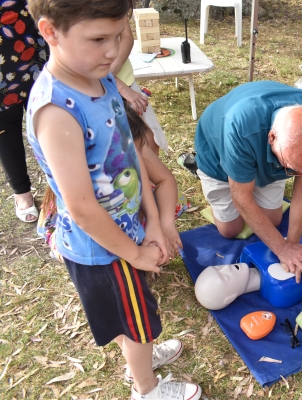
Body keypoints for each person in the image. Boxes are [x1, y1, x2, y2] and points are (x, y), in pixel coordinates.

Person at [26, 1, 200, 399]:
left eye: (118, 36)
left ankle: (143, 357)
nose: (112, 51)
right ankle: (146, 388)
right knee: (138, 320)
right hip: (103, 250)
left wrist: (154, 221)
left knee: (132, 314)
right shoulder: (57, 110)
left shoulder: (99, 78)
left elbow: (133, 158)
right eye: (99, 39)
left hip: (129, 231)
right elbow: (83, 208)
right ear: (51, 32)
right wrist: (135, 253)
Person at [191, 80, 302, 283]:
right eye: (291, 170)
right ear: (272, 137)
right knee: (230, 230)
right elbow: (241, 197)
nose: (298, 175)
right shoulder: (240, 126)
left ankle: (261, 175)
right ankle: (205, 175)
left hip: (267, 155)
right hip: (217, 153)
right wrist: (282, 248)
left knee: (273, 221)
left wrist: (292, 243)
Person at [39, 99, 188, 263]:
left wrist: (164, 224)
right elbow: (86, 217)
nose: (137, 156)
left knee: (165, 203)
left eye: (137, 149)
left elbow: (164, 180)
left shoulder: (130, 141)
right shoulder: (78, 174)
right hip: (84, 226)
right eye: (132, 153)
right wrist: (135, 255)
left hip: (129, 207)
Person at [0, 0, 48, 223]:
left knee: (48, 118)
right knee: (4, 126)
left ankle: (61, 188)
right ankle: (22, 193)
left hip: (33, 40)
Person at [111, 20, 168, 155]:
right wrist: (119, 86)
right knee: (134, 146)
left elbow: (127, 36)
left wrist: (113, 69)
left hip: (125, 81)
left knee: (150, 140)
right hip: (100, 89)